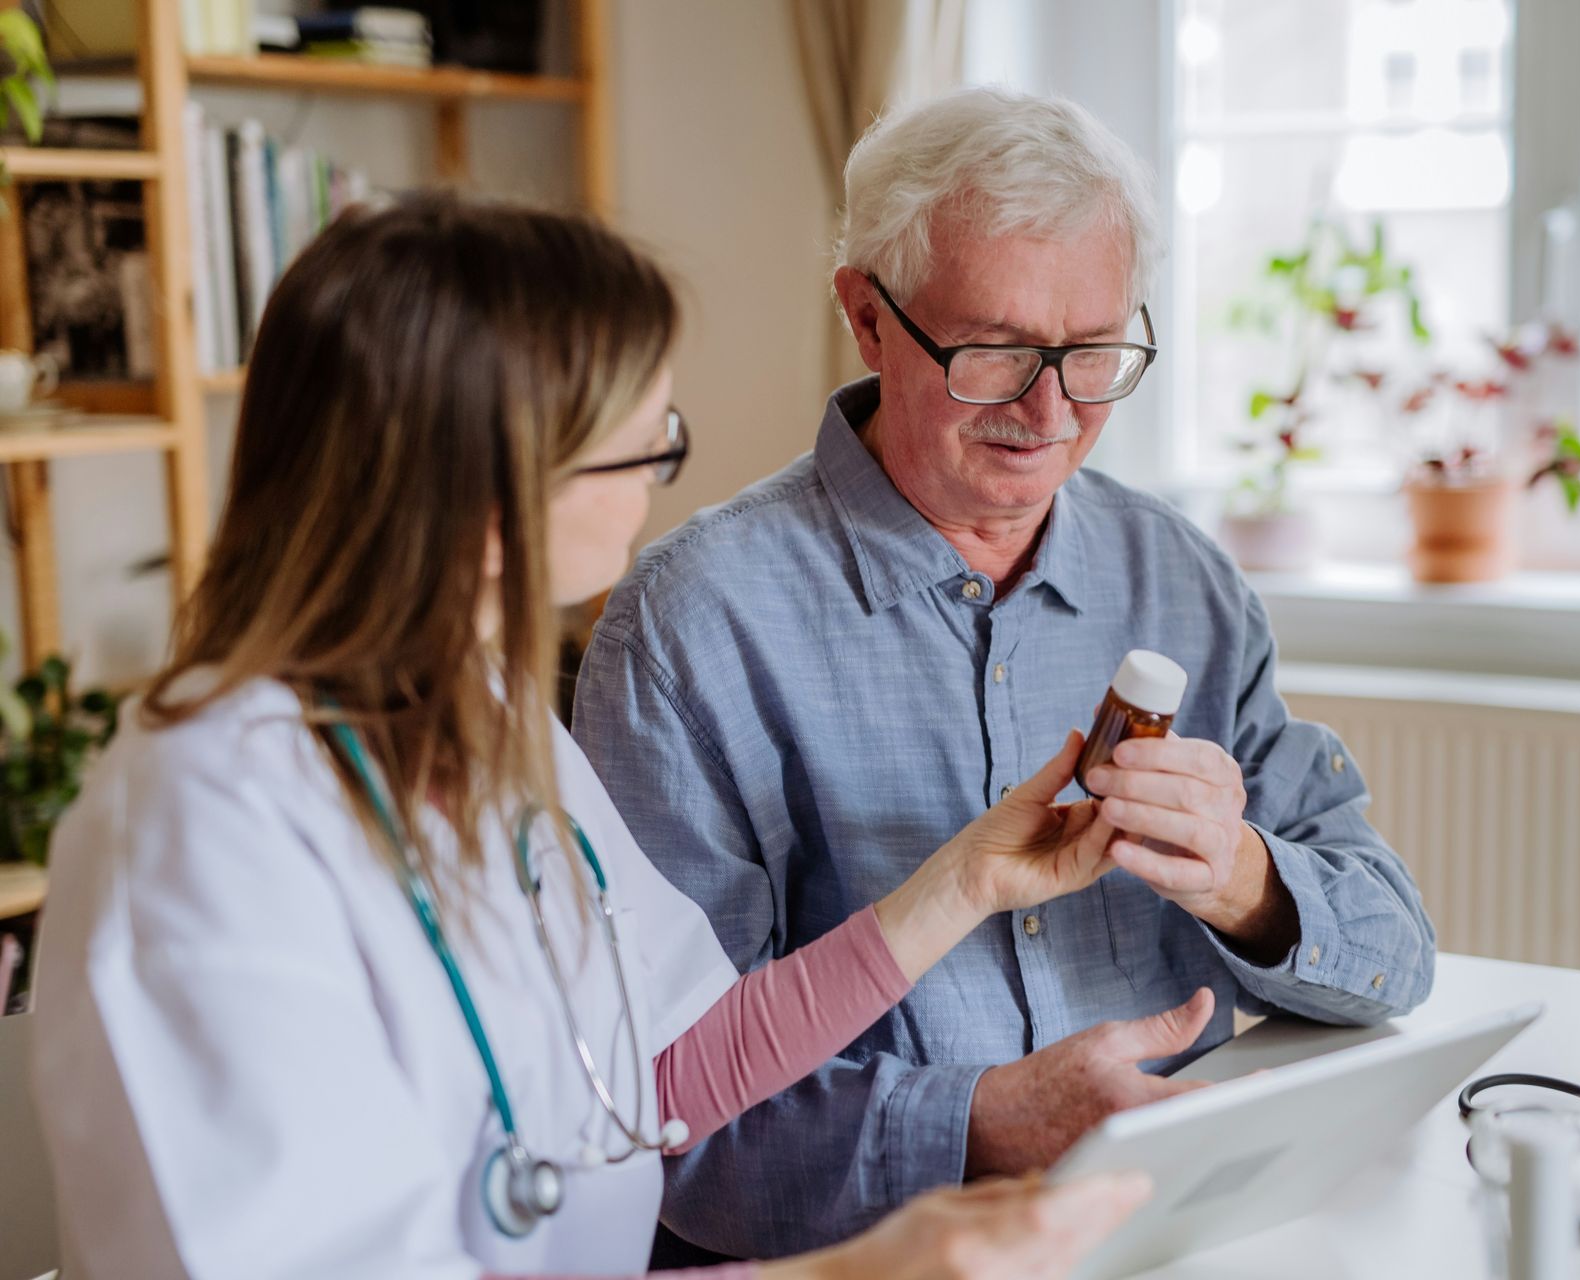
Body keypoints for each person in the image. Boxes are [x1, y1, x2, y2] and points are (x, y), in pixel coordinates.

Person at [27, 195, 1151, 1280]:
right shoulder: (203, 818)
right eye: (644, 447)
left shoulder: (482, 707)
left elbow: (665, 1064)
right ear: (489, 488)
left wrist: (962, 883)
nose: (662, 480)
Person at [573, 87, 1439, 1262]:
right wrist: (981, 1124)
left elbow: (1396, 949)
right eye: (995, 352)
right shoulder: (690, 626)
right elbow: (669, 1129)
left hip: (1178, 1233)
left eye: (1093, 353)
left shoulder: (1179, 576)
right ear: (868, 320)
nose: (1051, 411)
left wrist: (1244, 879)